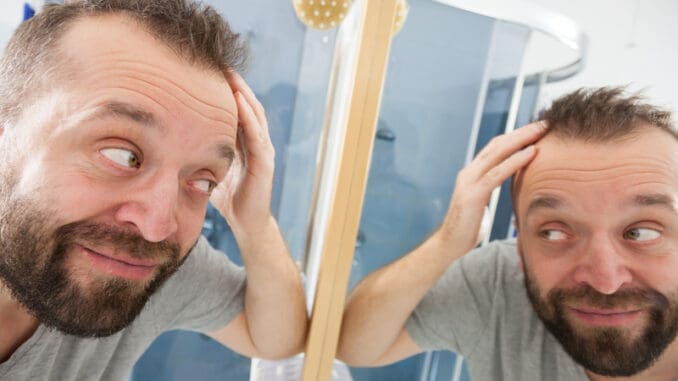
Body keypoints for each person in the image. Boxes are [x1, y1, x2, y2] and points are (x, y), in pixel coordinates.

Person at [0, 1, 307, 380]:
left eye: (201, 181)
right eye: (122, 155)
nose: (157, 227)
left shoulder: (131, 266)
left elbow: (277, 340)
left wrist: (254, 223)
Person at [338, 87, 678, 381]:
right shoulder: (499, 283)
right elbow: (355, 345)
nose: (606, 280)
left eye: (641, 232)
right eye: (555, 233)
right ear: (520, 248)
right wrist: (447, 244)